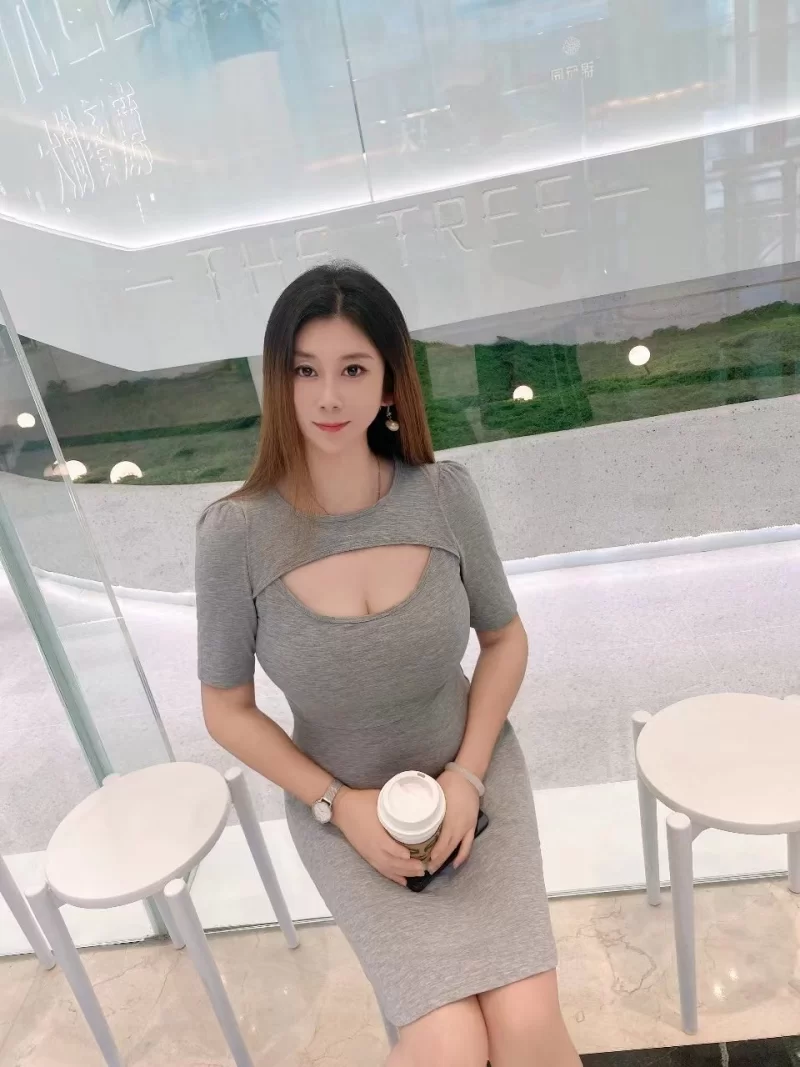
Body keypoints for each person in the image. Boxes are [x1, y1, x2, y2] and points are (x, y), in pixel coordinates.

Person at [195, 262, 581, 1067]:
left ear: (390, 381)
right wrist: (340, 804)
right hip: (344, 814)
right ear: (278, 380)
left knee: (525, 1024)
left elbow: (505, 640)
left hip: (477, 783)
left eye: (352, 369)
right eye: (305, 370)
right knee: (448, 1040)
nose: (327, 397)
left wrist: (466, 777)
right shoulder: (235, 534)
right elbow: (225, 706)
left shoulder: (443, 494)